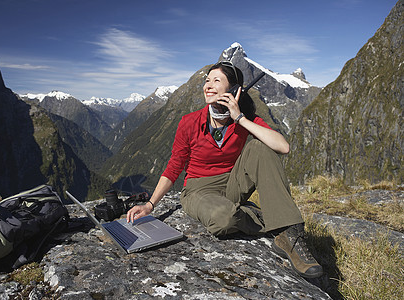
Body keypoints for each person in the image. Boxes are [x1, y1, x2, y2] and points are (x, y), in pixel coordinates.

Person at [126, 61, 323, 278]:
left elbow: (282, 147)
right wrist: (150, 205)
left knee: (259, 146)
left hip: (232, 184)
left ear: (234, 90)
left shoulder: (242, 119)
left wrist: (240, 118)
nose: (207, 86)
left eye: (216, 81)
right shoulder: (189, 122)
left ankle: (289, 236)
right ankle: (274, 221)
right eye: (207, 80)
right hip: (198, 190)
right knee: (223, 218)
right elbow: (174, 166)